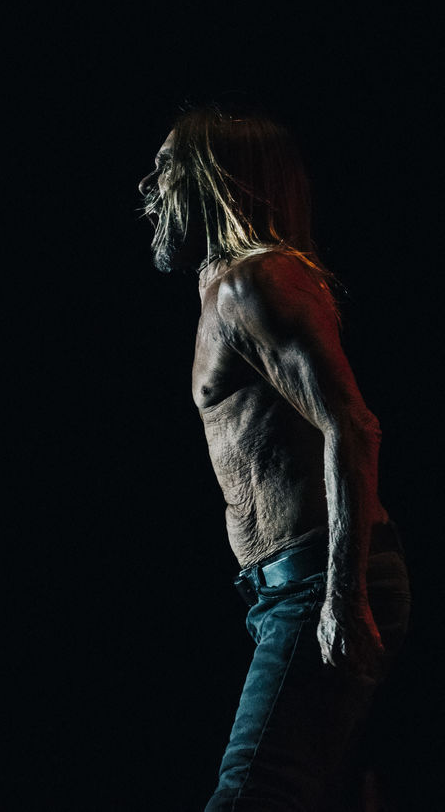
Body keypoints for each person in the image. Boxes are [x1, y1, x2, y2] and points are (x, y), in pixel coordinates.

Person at [138, 105, 411, 812]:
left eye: (167, 168)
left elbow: (353, 426)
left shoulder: (253, 283)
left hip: (318, 580)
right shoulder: (224, 291)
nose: (148, 186)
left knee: (250, 798)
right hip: (286, 590)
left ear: (215, 180)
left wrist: (342, 597)